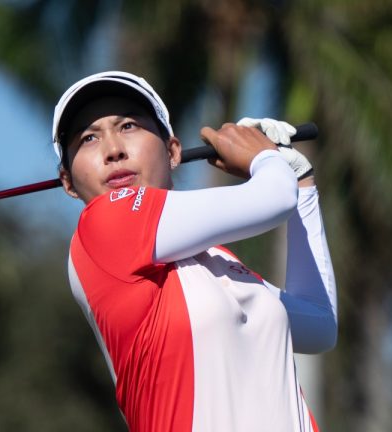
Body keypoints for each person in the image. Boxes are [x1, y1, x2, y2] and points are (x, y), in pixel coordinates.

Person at [52, 71, 337, 432]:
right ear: (67, 182)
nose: (113, 150)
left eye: (127, 126)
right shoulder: (103, 225)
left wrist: (301, 181)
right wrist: (265, 160)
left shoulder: (218, 260)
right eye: (88, 138)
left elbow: (319, 325)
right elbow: (273, 198)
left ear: (173, 151)